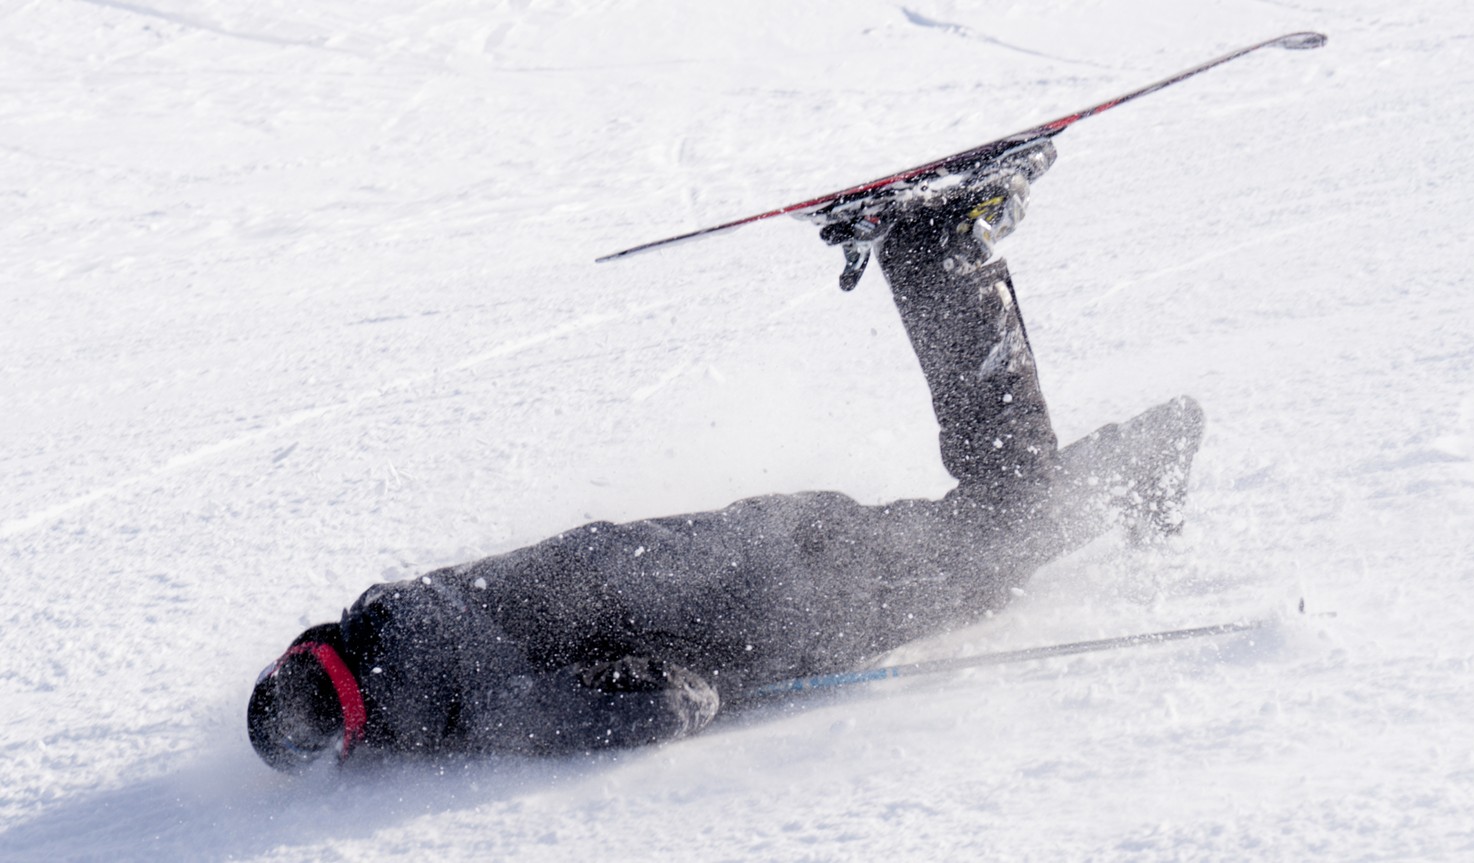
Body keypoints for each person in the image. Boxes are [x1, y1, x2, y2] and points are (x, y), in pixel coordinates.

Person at [247, 141, 1204, 771]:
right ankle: (943, 265)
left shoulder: (454, 701)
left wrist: (693, 697)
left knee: (994, 543)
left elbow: (647, 704)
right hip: (753, 546)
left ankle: (948, 254)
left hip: (769, 610)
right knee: (986, 526)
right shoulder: (413, 612)